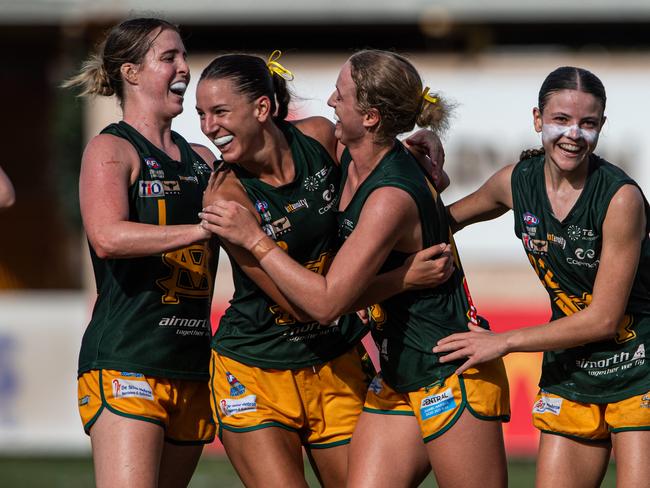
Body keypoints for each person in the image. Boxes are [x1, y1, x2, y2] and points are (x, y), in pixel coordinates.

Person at [200, 49, 510, 488]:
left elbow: (326, 303)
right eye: (201, 113)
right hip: (369, 370)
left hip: (445, 366)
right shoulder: (241, 189)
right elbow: (322, 300)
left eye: (340, 94)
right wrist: (404, 273)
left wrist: (255, 238)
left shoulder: (377, 185)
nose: (329, 100)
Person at [432, 66, 650, 487]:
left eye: (588, 123)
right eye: (561, 120)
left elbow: (604, 319)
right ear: (538, 120)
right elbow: (435, 224)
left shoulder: (621, 198)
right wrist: (418, 172)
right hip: (571, 369)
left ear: (601, 127)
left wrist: (504, 342)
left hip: (639, 365)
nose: (574, 134)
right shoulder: (515, 182)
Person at [63, 18, 218, 488]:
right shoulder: (111, 148)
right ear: (130, 72)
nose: (185, 69)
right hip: (127, 360)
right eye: (168, 58)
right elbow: (107, 237)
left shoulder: (204, 159)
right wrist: (199, 231)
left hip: (192, 366)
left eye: (184, 56)